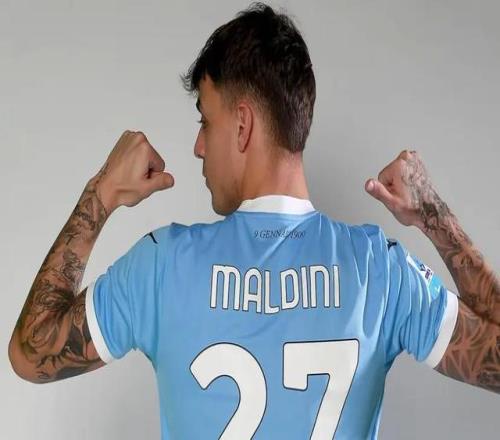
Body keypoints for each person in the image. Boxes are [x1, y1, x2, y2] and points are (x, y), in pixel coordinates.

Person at [8, 2, 499, 439]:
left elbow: (31, 353)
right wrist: (433, 214)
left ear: (242, 125)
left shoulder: (162, 265)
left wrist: (101, 193)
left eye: (205, 121)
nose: (199, 146)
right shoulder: (379, 268)